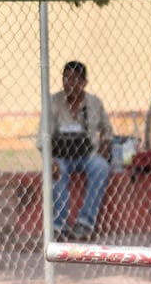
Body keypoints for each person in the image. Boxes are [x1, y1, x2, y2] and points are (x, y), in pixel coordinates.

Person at [48, 60, 114, 241]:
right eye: (66, 78)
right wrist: (50, 160)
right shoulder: (54, 102)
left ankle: (84, 223)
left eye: (75, 79)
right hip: (61, 155)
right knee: (56, 171)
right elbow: (45, 135)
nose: (70, 83)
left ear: (84, 82)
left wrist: (105, 149)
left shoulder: (94, 103)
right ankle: (60, 226)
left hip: (87, 154)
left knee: (101, 167)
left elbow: (108, 131)